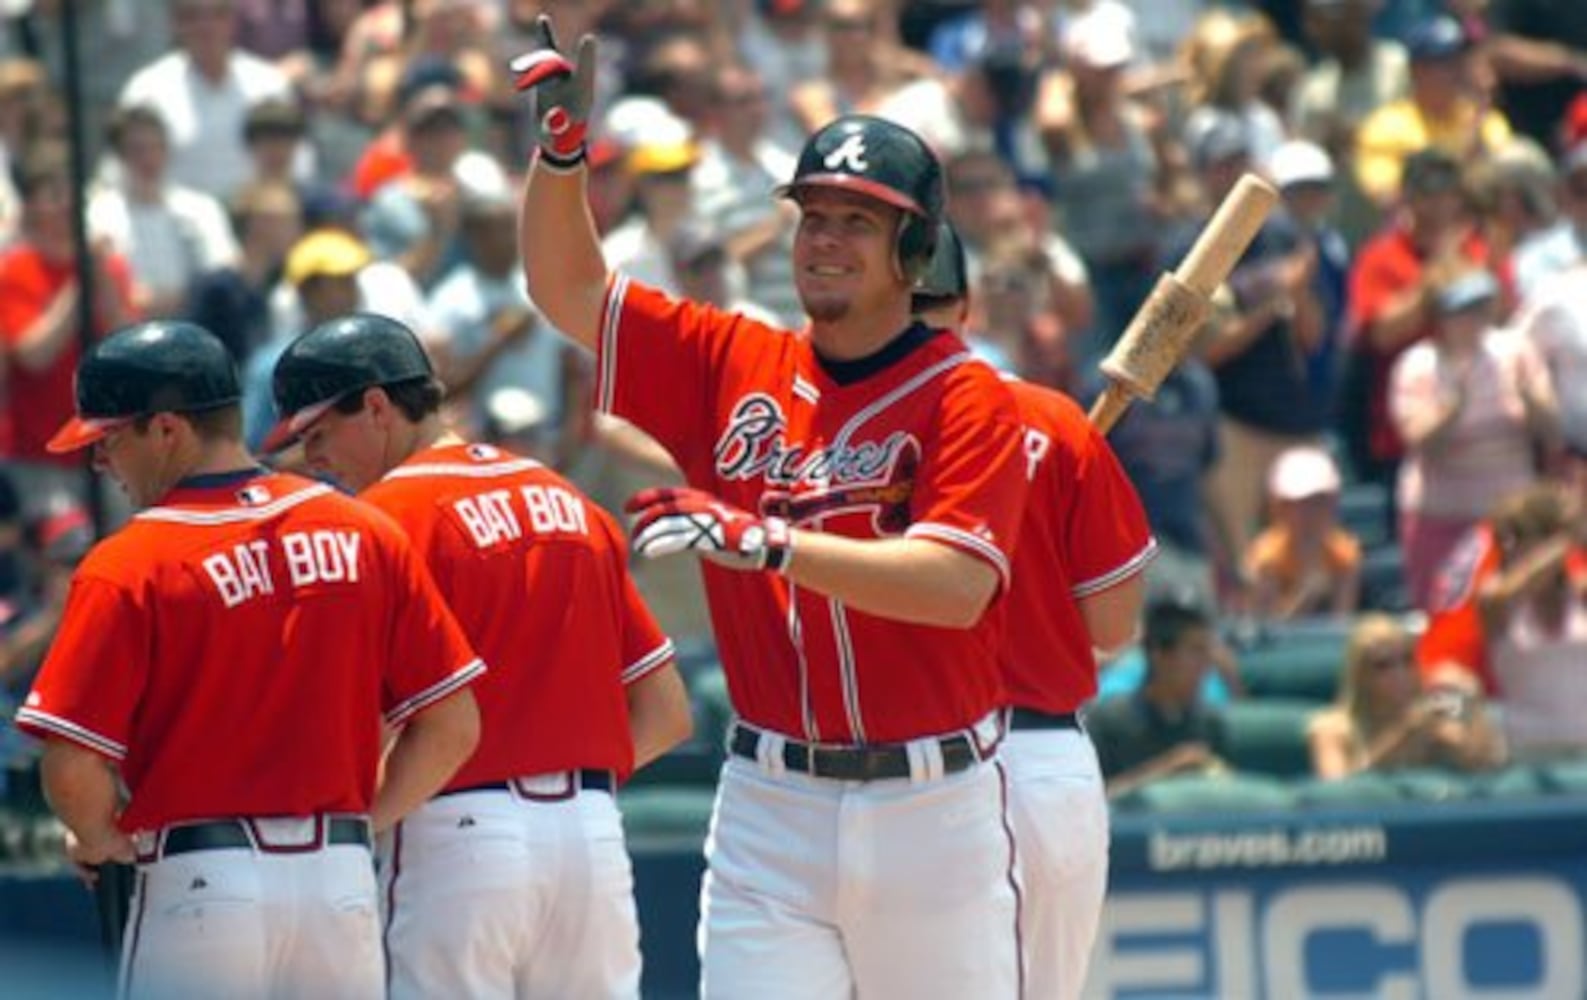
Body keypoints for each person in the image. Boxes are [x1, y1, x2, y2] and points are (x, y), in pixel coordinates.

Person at [515, 22, 1031, 998]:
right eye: (812, 217)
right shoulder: (732, 357)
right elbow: (566, 287)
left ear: (914, 250)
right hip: (770, 799)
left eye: (858, 222)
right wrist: (561, 156)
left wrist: (770, 542)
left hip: (933, 809)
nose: (823, 240)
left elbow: (956, 585)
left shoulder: (967, 395)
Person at [11, 320, 483, 998]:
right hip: (338, 882)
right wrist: (359, 825)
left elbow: (71, 767)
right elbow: (453, 726)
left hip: (200, 882)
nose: (100, 463)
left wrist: (100, 837)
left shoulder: (130, 562)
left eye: (109, 439)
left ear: (166, 429)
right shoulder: (365, 530)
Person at [265, 313, 692, 998]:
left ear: (376, 407)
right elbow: (667, 714)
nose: (311, 457)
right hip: (589, 836)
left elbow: (370, 725)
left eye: (318, 433)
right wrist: (559, 797)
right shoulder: (568, 499)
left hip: (454, 837)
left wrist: (355, 831)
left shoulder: (381, 522)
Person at [914, 222, 1155, 1000]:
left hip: (907, 770)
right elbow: (1113, 627)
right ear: (966, 304)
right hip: (1040, 757)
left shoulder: (841, 437)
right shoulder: (1051, 420)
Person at [1389, 268, 1559, 609]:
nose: (1474, 318)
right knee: (1443, 617)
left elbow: (1551, 433)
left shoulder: (1516, 351)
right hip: (1439, 518)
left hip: (1511, 523)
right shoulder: (1417, 364)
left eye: (1480, 307)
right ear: (1440, 315)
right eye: (1463, 309)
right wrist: (1453, 410)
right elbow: (1421, 443)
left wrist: (1531, 399)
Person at [1308, 613, 1503, 779]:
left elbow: (1486, 766)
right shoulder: (1331, 729)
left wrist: (1473, 706)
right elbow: (1338, 790)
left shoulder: (1433, 717)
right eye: (1383, 665)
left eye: (1407, 660)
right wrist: (1406, 733)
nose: (1400, 673)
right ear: (1361, 675)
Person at [1087, 596, 1230, 798]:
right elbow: (1094, 800)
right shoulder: (1107, 723)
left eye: (1208, 651)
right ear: (1159, 654)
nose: (1206, 664)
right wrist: (1167, 769)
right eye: (1196, 651)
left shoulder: (1210, 724)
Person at [1244, 445, 1362, 621]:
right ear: (1279, 507)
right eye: (1299, 504)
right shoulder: (1266, 557)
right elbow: (1267, 626)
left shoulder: (1345, 553)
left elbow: (1341, 622)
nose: (1310, 513)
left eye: (1319, 502)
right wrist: (1305, 598)